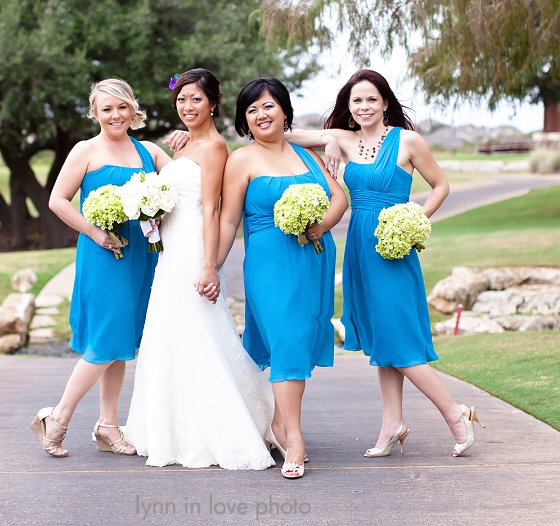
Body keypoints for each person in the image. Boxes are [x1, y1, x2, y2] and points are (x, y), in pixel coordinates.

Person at [287, 69, 485, 458]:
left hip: (393, 247)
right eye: (356, 100)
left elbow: (440, 186)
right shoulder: (343, 139)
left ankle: (455, 413)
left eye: (371, 99)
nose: (363, 107)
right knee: (382, 336)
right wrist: (327, 138)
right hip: (360, 246)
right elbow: (283, 134)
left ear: (385, 102)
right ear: (348, 105)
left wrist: (415, 222)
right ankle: (392, 423)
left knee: (399, 338)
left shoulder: (407, 140)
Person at [124, 68, 275, 470]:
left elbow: (212, 208)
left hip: (193, 252)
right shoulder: (184, 145)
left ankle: (221, 428)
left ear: (212, 103)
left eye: (195, 99)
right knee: (170, 335)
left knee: (200, 334)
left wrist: (210, 266)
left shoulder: (214, 148)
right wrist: (151, 214)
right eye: (181, 99)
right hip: (168, 252)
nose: (187, 106)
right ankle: (172, 429)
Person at [30, 78, 171, 458]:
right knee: (106, 339)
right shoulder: (85, 150)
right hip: (102, 253)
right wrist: (95, 232)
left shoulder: (150, 152)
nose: (115, 115)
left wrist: (190, 142)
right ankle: (57, 418)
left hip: (141, 254)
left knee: (121, 342)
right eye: (106, 108)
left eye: (121, 107)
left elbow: (182, 184)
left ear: (132, 109)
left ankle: (108, 425)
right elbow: (58, 200)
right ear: (94, 113)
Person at [217, 77, 348, 479]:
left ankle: (279, 425)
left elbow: (339, 196)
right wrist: (212, 267)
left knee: (297, 345)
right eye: (251, 110)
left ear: (284, 111)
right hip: (269, 265)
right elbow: (227, 218)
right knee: (288, 341)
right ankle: (294, 438)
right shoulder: (241, 160)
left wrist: (321, 225)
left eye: (268, 106)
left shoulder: (307, 155)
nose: (260, 115)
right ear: (244, 119)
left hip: (312, 259)